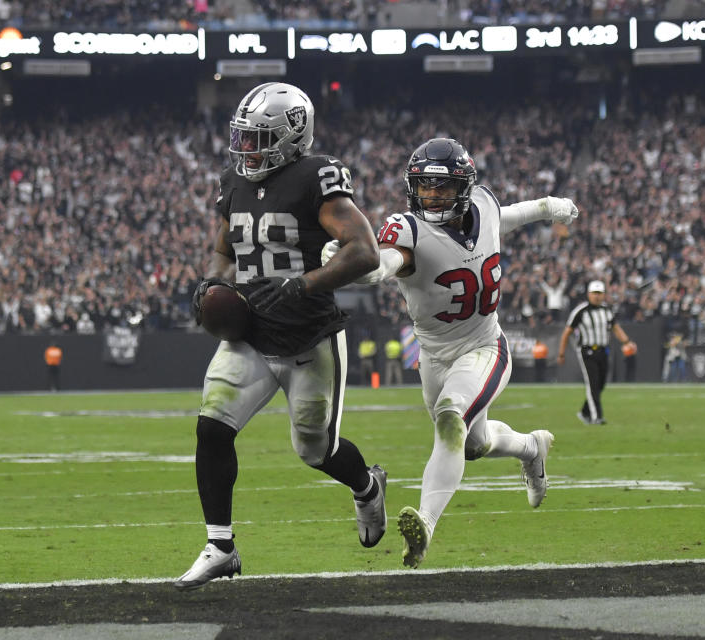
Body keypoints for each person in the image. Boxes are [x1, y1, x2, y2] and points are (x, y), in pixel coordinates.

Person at [322, 137, 578, 568]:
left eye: (442, 188)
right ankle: (532, 448)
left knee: (450, 419)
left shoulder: (484, 204)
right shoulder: (410, 229)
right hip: (434, 357)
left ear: (463, 187)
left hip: (483, 346)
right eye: (425, 187)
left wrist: (546, 206)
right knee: (472, 444)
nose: (432, 196)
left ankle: (424, 524)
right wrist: (356, 265)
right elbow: (387, 262)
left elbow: (505, 217)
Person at [174, 82, 385, 590]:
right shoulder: (233, 180)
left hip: (310, 336)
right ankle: (220, 546)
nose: (246, 148)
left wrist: (303, 284)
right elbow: (224, 252)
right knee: (212, 427)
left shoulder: (317, 176)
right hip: (250, 332)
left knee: (316, 450)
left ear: (291, 137)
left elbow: (365, 250)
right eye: (242, 138)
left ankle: (366, 485)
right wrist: (214, 284)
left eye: (258, 138)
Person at [558, 281, 635, 425]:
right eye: (594, 293)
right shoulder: (580, 311)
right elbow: (567, 332)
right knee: (593, 384)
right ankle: (596, 417)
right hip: (586, 351)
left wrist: (627, 341)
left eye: (600, 294)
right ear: (589, 294)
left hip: (603, 351)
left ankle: (584, 412)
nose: (597, 297)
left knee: (601, 384)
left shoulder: (607, 311)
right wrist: (561, 353)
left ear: (604, 295)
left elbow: (616, 328)